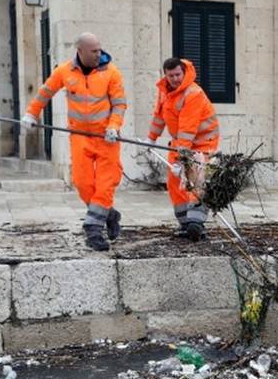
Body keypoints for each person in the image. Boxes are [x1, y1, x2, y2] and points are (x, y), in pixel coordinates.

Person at [22, 32, 127, 251]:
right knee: (82, 183)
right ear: (80, 51)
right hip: (79, 137)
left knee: (105, 184)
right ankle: (110, 214)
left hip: (107, 139)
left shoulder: (112, 72)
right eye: (94, 51)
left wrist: (114, 126)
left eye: (100, 49)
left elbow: (119, 104)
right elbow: (44, 93)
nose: (99, 54)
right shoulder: (65, 71)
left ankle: (93, 229)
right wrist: (32, 114)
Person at [146, 57, 220, 241]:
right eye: (171, 75)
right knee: (174, 182)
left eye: (178, 74)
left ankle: (197, 223)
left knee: (196, 180)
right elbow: (159, 117)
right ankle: (185, 224)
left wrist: (181, 159)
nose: (175, 79)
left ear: (184, 72)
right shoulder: (164, 91)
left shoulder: (193, 93)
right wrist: (151, 139)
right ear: (165, 75)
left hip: (202, 143)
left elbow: (188, 130)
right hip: (180, 142)